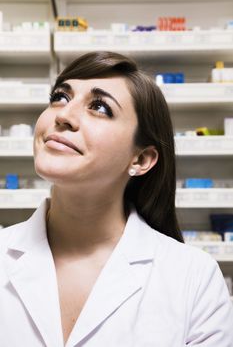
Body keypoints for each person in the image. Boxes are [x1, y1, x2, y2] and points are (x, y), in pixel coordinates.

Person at [0, 51, 232, 347]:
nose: (63, 115)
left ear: (141, 158)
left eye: (99, 107)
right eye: (60, 97)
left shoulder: (194, 279)